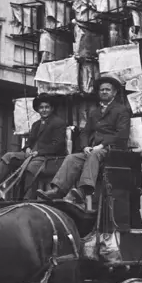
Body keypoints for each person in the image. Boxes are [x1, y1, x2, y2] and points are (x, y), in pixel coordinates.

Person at [37, 76, 131, 208]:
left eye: (107, 90)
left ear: (114, 93)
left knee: (94, 155)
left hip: (112, 150)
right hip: (94, 150)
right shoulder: (94, 112)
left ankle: (81, 192)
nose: (104, 92)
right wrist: (85, 146)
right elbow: (85, 132)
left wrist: (102, 145)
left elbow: (122, 134)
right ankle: (58, 190)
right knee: (72, 158)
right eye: (102, 90)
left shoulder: (121, 110)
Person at [0, 93, 67, 191]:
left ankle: (26, 197)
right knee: (8, 156)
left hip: (49, 158)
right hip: (32, 155)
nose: (44, 110)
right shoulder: (36, 124)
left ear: (52, 108)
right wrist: (27, 148)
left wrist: (39, 152)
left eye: (47, 107)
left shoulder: (58, 123)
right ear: (38, 110)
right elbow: (29, 142)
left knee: (31, 167)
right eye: (41, 108)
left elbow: (58, 144)